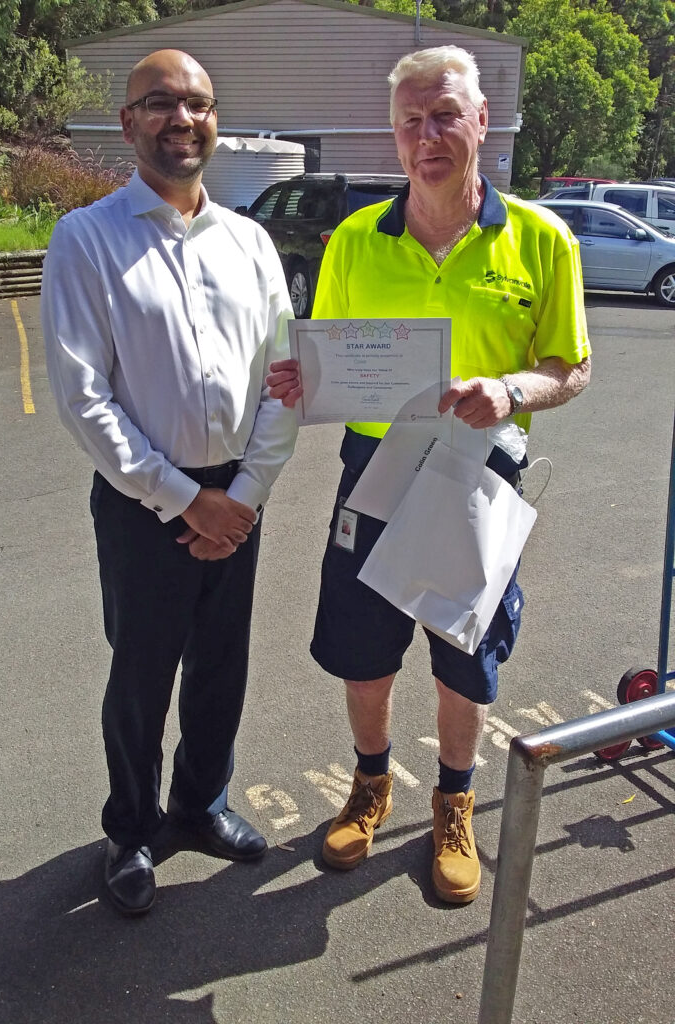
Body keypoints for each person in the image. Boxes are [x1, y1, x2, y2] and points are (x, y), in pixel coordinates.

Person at [267, 45, 590, 904]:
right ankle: (371, 784)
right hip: (374, 466)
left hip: (478, 471)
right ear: (394, 136)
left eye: (446, 114)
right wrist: (304, 381)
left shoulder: (542, 239)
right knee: (363, 651)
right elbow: (327, 359)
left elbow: (571, 366)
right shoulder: (354, 241)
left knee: (463, 655)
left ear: (483, 121)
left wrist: (513, 388)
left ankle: (455, 801)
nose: (428, 134)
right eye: (411, 121)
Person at [41, 49, 297, 916]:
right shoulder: (87, 239)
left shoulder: (251, 242)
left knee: (223, 666)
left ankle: (200, 803)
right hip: (144, 501)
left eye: (196, 104)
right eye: (159, 104)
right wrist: (191, 501)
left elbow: (284, 379)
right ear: (128, 124)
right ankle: (131, 828)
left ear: (215, 121)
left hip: (240, 493)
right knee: (143, 675)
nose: (181, 119)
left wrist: (246, 494)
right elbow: (83, 399)